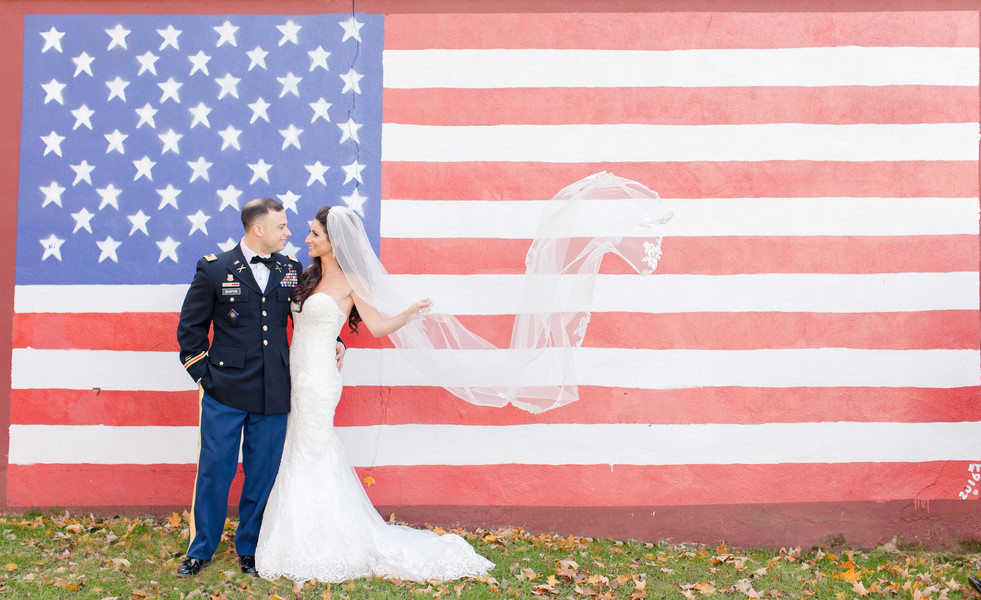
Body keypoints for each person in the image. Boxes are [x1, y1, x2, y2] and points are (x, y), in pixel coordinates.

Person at [255, 205, 494, 582]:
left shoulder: (352, 282)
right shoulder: (307, 276)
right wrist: (338, 342)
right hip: (295, 375)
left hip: (318, 380)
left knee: (314, 448)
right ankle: (294, 534)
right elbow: (308, 323)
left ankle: (326, 541)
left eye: (315, 234)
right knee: (297, 446)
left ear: (334, 241)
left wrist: (410, 313)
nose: (307, 240)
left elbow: (378, 327)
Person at [175, 197, 345, 577]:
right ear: (258, 229)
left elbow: (314, 313)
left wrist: (336, 341)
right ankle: (201, 549)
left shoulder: (292, 268)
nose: (289, 233)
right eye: (282, 226)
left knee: (262, 473)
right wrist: (205, 377)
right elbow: (190, 331)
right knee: (215, 471)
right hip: (225, 389)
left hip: (273, 389)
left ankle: (249, 548)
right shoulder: (214, 268)